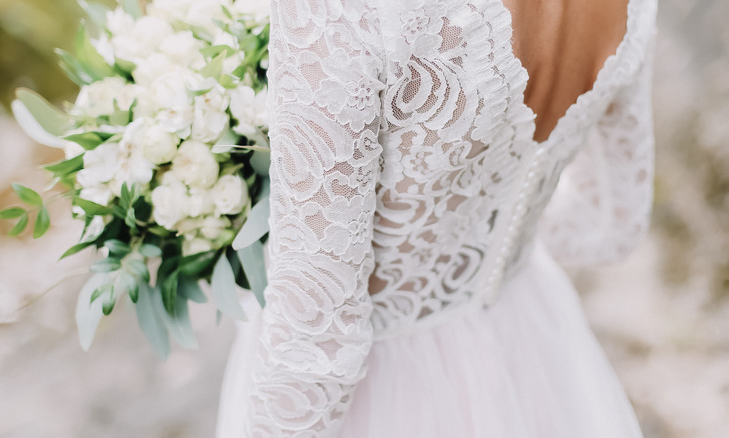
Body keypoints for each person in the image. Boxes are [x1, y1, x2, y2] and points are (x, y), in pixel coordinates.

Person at [217, 0, 658, 435]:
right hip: (530, 342)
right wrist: (494, 232)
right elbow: (611, 226)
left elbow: (315, 343)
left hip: (384, 391)